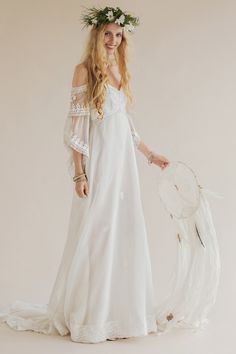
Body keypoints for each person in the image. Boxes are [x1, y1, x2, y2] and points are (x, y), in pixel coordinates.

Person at [0, 6, 170, 343]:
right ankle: (91, 315)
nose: (112, 40)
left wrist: (150, 155)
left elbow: (124, 125)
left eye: (118, 35)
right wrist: (80, 175)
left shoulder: (120, 70)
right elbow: (76, 127)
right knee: (97, 232)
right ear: (96, 35)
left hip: (123, 167)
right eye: (107, 33)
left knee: (123, 230)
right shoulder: (83, 72)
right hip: (102, 164)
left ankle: (119, 314)